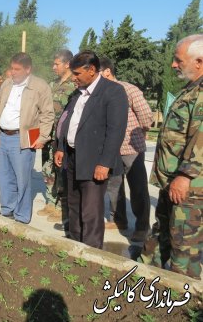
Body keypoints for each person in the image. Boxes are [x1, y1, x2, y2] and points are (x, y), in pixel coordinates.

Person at [141, 34, 202, 280]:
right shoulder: (191, 88)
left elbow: (200, 139)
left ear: (199, 61)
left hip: (189, 187)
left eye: (178, 60)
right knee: (162, 231)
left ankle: (181, 300)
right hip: (172, 182)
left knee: (184, 247)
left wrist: (185, 176)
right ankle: (146, 274)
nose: (173, 65)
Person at [55, 50, 128, 249]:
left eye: (77, 74)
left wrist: (104, 163)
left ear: (92, 70)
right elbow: (68, 121)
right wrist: (62, 146)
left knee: (91, 210)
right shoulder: (77, 93)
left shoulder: (113, 91)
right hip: (72, 157)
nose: (74, 78)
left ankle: (92, 254)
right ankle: (76, 246)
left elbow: (116, 131)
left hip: (95, 161)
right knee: (74, 204)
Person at [0, 53, 54, 224]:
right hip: (4, 135)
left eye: (17, 69)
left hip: (24, 137)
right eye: (12, 68)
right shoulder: (6, 84)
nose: (12, 72)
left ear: (28, 69)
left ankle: (22, 215)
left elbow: (47, 114)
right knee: (4, 177)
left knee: (22, 179)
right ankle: (7, 209)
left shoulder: (40, 86)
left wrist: (42, 137)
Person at [99, 57, 153, 243]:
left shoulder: (128, 89)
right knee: (114, 187)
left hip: (132, 148)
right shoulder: (100, 92)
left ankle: (142, 226)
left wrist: (141, 131)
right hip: (111, 149)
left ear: (107, 71)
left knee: (138, 188)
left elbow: (146, 115)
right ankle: (119, 220)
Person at [39, 50, 76, 231]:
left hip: (63, 138)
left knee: (62, 171)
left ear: (67, 64)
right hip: (47, 134)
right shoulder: (51, 84)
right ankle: (50, 202)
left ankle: (62, 206)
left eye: (57, 64)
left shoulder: (75, 84)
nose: (53, 67)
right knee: (47, 168)